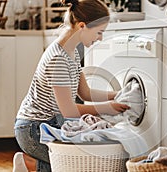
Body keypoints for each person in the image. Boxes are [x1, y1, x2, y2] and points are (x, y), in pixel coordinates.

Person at [13, 0, 130, 171]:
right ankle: (28, 164)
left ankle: (32, 165)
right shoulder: (58, 59)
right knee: (76, 163)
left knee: (77, 162)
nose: (100, 38)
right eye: (99, 32)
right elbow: (68, 110)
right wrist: (108, 107)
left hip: (49, 124)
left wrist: (118, 94)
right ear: (82, 26)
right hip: (33, 130)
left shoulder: (71, 51)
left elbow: (85, 93)